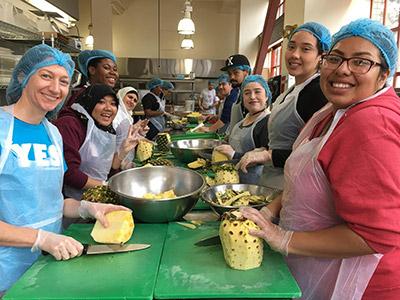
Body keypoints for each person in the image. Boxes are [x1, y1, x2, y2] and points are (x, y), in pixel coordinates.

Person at [241, 18, 400, 299]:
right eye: (335, 58)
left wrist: (284, 238)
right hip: (318, 265)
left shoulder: (371, 124)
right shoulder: (333, 109)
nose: (342, 70)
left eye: (361, 62)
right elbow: (306, 177)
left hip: (359, 283)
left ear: (384, 72)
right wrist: (271, 210)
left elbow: (378, 235)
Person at [0, 45, 129, 295]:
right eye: (46, 76)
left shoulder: (53, 133)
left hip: (48, 266)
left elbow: (49, 203)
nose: (55, 88)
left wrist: (85, 207)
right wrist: (40, 239)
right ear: (22, 77)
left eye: (64, 81)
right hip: (6, 275)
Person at [237, 22, 330, 189]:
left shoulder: (317, 93)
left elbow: (315, 154)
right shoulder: (293, 90)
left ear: (321, 56)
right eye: (291, 46)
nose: (294, 54)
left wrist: (268, 155)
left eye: (306, 49)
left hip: (292, 186)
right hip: (273, 181)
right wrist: (264, 149)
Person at [54, 84, 142, 201]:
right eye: (101, 102)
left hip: (96, 197)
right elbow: (68, 173)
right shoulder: (70, 124)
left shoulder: (104, 128)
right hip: (71, 203)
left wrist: (122, 152)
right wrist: (107, 186)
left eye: (113, 104)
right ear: (89, 101)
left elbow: (107, 170)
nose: (108, 108)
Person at [215, 75, 272, 184]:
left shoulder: (268, 122)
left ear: (267, 96)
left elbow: (267, 158)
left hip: (255, 187)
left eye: (257, 92)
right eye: (247, 93)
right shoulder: (240, 123)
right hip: (235, 182)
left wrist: (234, 155)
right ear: (242, 99)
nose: (252, 96)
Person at [197, 54, 250, 133]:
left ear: (246, 72)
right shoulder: (237, 91)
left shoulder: (246, 93)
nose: (232, 77)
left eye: (236, 73)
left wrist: (209, 129)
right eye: (230, 74)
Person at [113, 86, 149, 169]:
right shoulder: (115, 114)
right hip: (116, 162)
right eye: (130, 97)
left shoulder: (127, 116)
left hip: (124, 161)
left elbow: (125, 136)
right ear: (121, 95)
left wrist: (138, 131)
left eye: (135, 100)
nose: (132, 101)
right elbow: (115, 139)